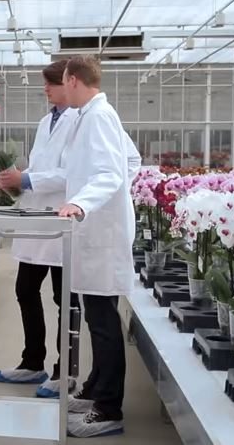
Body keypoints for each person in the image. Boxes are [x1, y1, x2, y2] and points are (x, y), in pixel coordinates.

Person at [57, 55, 141, 438]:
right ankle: (94, 390)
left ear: (72, 80)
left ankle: (108, 409)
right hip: (94, 232)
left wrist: (81, 203)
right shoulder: (89, 116)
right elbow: (129, 162)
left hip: (102, 236)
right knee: (96, 317)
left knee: (104, 323)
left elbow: (110, 172)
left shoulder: (100, 116)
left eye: (61, 82)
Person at [0, 60, 81, 399]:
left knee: (64, 298)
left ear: (68, 83)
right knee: (25, 289)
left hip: (61, 221)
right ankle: (33, 363)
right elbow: (43, 166)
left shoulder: (78, 121)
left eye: (50, 84)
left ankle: (64, 373)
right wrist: (16, 181)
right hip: (35, 218)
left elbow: (71, 173)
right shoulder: (47, 121)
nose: (45, 89)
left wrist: (27, 178)